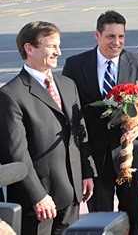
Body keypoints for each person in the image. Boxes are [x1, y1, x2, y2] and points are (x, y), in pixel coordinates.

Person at [62, 11, 138, 235]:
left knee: (133, 216)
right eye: (110, 36)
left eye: (121, 37)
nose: (117, 42)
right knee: (100, 219)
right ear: (97, 35)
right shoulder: (76, 65)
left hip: (130, 155)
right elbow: (71, 113)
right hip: (95, 157)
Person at [0, 21, 95, 235]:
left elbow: (80, 132)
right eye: (52, 46)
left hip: (71, 194)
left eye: (58, 46)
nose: (58, 52)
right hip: (39, 203)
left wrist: (86, 173)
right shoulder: (11, 95)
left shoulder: (67, 85)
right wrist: (38, 196)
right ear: (29, 48)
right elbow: (15, 155)